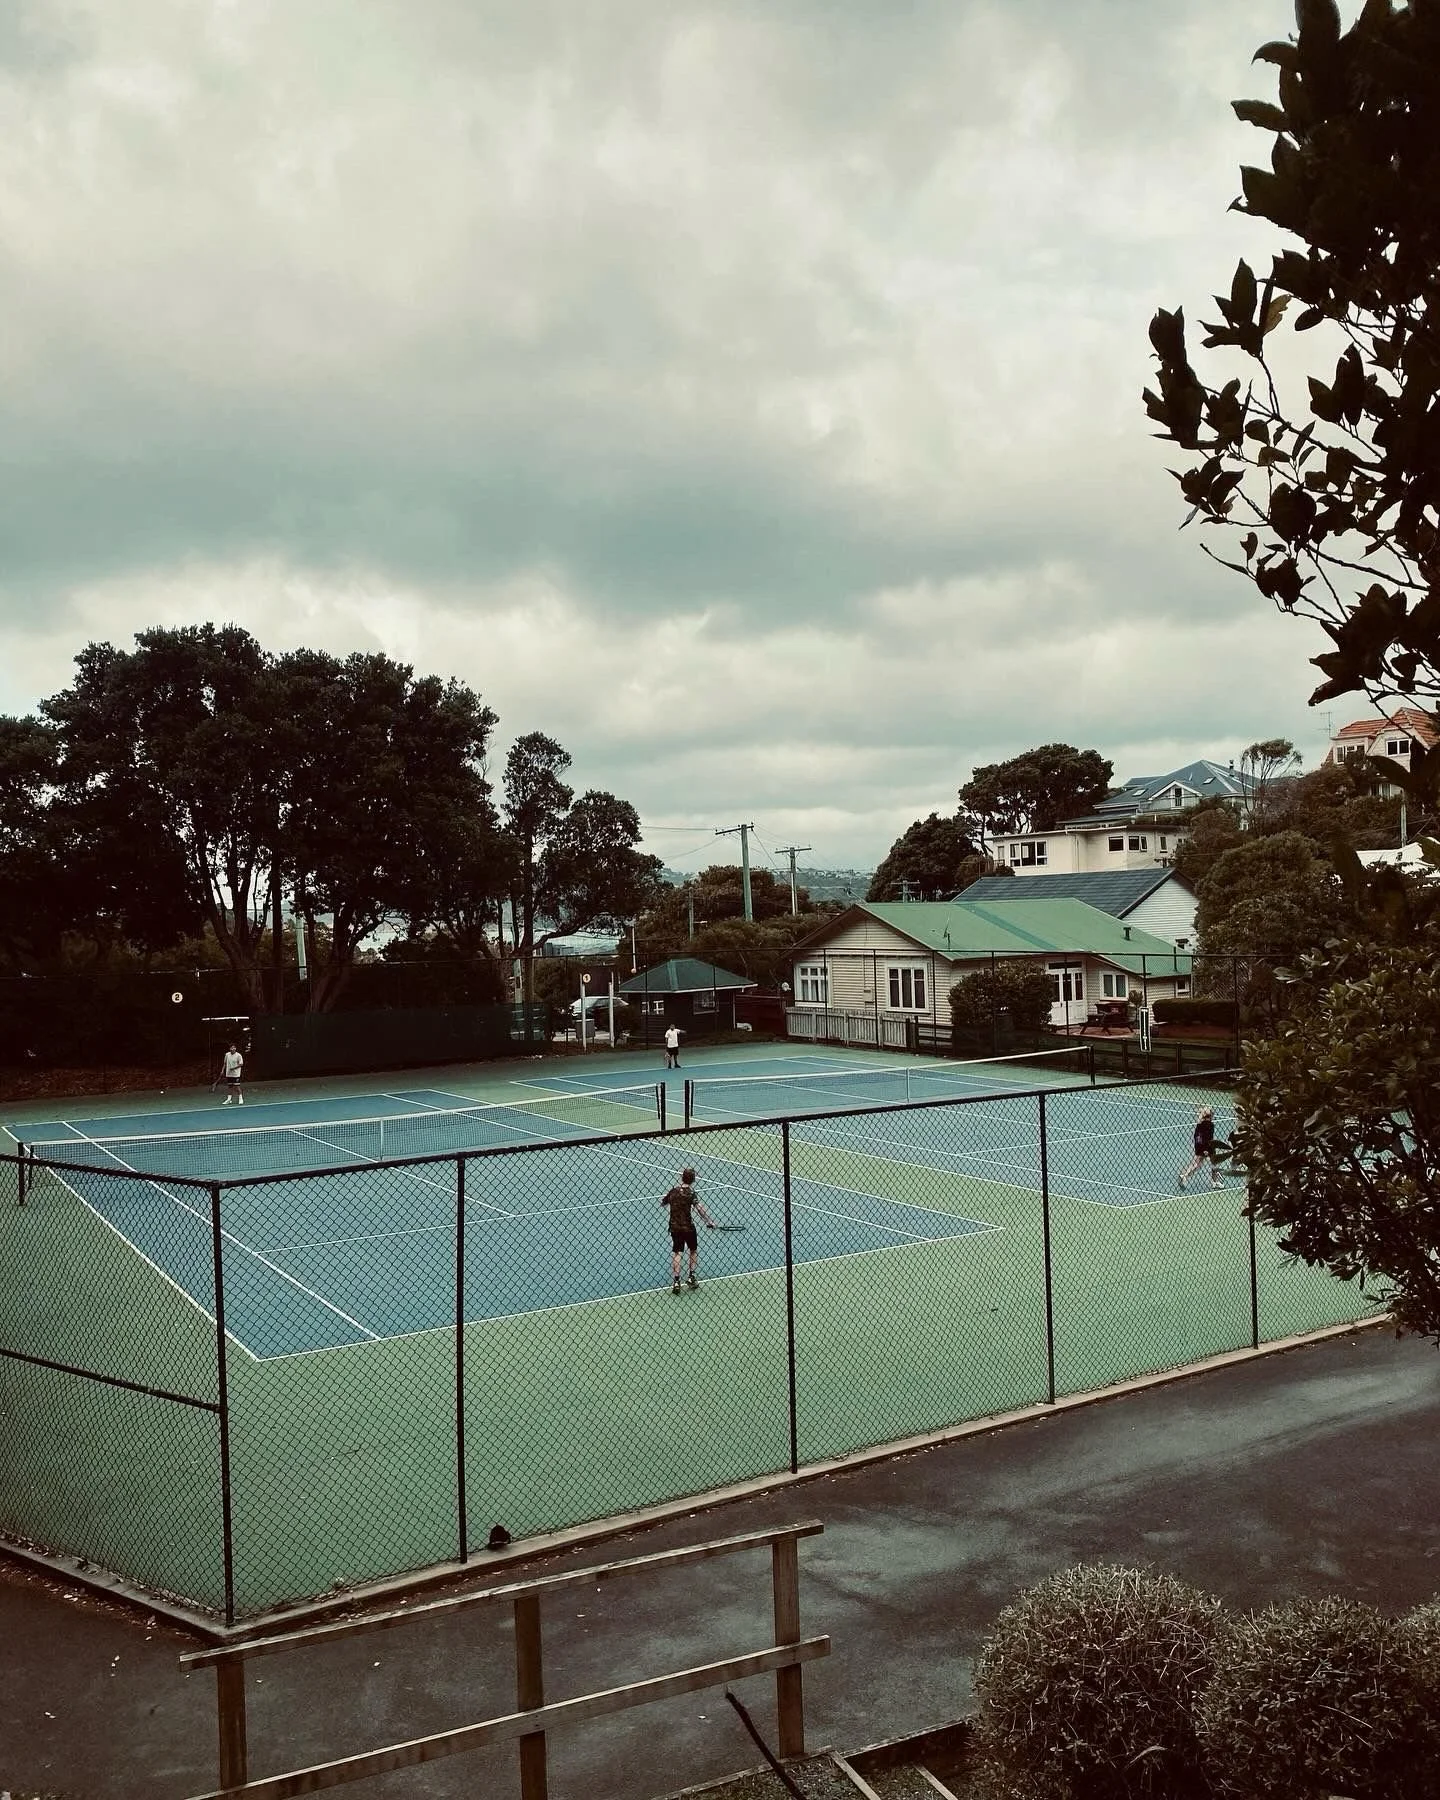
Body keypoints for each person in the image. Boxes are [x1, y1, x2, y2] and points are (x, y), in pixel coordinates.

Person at [662, 1166, 713, 1293]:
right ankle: (691, 1276)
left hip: (675, 1227)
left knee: (677, 1252)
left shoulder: (673, 1191)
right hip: (688, 1228)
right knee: (693, 1250)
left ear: (682, 1177)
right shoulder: (691, 1193)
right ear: (693, 1180)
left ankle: (676, 1281)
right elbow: (699, 1208)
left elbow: (663, 1202)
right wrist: (709, 1221)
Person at [1178, 1105, 1226, 1190]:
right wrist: (1206, 1149)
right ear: (1210, 1116)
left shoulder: (1199, 1124)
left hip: (1198, 1145)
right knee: (1213, 1163)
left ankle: (1185, 1176)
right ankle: (1215, 1182)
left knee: (1197, 1164)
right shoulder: (1210, 1125)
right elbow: (1208, 1138)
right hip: (1207, 1146)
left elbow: (1197, 1136)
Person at [220, 1042, 245, 1106]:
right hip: (228, 1074)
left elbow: (241, 1064)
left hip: (236, 1074)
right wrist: (222, 1071)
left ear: (235, 1048)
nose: (232, 1049)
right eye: (231, 1047)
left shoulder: (238, 1055)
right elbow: (225, 1064)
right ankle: (229, 1099)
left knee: (237, 1086)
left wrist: (234, 1068)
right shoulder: (227, 1055)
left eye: (234, 1047)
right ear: (230, 1048)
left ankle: (240, 1099)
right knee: (230, 1086)